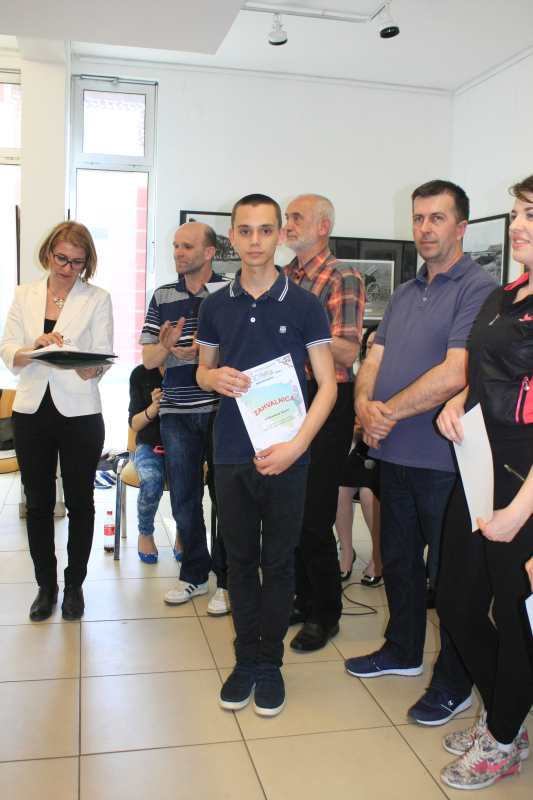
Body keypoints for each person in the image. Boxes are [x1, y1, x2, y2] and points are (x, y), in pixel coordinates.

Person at [345, 180, 496, 727]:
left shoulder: (479, 288)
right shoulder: (406, 293)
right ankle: (403, 649)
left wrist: (385, 413)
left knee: (450, 581)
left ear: (462, 226)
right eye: (418, 218)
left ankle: (455, 682)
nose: (425, 228)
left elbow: (456, 372)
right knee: (400, 561)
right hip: (395, 454)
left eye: (437, 218)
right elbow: (373, 357)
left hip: (446, 460)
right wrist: (364, 406)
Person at [196, 193, 337, 716]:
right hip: (232, 452)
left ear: (279, 235)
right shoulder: (214, 305)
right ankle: (245, 660)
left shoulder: (304, 304)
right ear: (232, 237)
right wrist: (214, 378)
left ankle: (270, 663)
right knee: (238, 562)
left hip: (288, 453)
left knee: (278, 563)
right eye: (245, 230)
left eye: (265, 230)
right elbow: (202, 370)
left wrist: (297, 447)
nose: (255, 241)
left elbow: (328, 386)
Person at [435, 175, 533, 791]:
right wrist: (458, 403)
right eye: (518, 211)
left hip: (525, 476)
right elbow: (485, 373)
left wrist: (519, 512)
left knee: (517, 617)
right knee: (455, 599)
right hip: (480, 460)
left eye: (532, 214)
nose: (518, 224)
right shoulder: (506, 294)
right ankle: (507, 715)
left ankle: (501, 737)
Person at [0, 221, 113, 621]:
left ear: (87, 263)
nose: (67, 268)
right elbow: (8, 349)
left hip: (80, 411)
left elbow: (102, 355)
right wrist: (35, 347)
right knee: (38, 503)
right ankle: (45, 587)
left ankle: (75, 586)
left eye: (77, 262)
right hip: (31, 410)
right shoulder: (24, 294)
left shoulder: (97, 298)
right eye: (61, 258)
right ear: (48, 253)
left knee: (81, 502)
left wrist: (87, 365)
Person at [284, 194, 365, 651]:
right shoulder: (284, 278)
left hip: (328, 397)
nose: (288, 224)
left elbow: (348, 351)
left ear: (323, 226)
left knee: (315, 513)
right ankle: (302, 597)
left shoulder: (341, 275)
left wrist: (296, 331)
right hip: (288, 398)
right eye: (287, 217)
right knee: (290, 508)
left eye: (297, 217)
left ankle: (325, 613)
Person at [140, 222, 229, 615]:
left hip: (222, 409)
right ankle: (194, 573)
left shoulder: (231, 292)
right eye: (176, 245)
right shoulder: (163, 295)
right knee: (183, 498)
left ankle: (227, 579)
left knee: (227, 498)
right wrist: (169, 347)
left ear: (209, 252)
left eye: (187, 246)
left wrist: (206, 353)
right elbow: (148, 360)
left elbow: (243, 350)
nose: (178, 252)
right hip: (176, 411)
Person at [335, 326, 382, 585]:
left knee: (366, 493)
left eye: (377, 344)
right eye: (369, 345)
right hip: (362, 447)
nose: (372, 349)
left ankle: (378, 555)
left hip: (388, 450)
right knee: (340, 489)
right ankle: (346, 551)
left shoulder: (394, 377)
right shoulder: (358, 378)